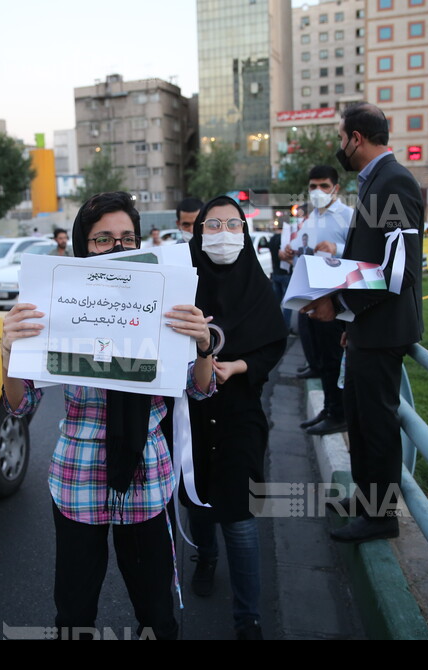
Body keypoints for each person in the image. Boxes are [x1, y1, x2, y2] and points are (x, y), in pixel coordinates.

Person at [0, 191, 217, 640]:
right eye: (103, 240)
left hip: (147, 477)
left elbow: (200, 390)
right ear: (83, 247)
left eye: (127, 238)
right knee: (75, 612)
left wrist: (201, 347)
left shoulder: (164, 299)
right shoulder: (56, 304)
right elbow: (21, 406)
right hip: (77, 479)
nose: (118, 248)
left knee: (156, 612)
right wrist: (9, 354)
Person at [300, 102, 424, 544]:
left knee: (376, 425)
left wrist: (340, 305)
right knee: (359, 418)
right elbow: (370, 261)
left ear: (356, 137)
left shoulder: (392, 183)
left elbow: (398, 270)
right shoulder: (375, 184)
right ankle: (366, 499)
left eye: (339, 137)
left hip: (385, 329)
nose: (339, 146)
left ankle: (380, 516)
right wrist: (350, 316)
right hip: (368, 326)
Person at [184, 195, 287, 640]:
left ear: (245, 231)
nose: (223, 235)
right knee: (198, 500)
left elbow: (272, 343)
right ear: (197, 231)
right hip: (189, 412)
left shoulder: (256, 284)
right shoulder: (181, 281)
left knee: (240, 518)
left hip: (240, 412)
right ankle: (204, 556)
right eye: (212, 225)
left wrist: (239, 367)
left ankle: (248, 619)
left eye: (232, 225)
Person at [282, 165, 353, 435]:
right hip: (310, 295)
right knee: (322, 359)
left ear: (336, 187)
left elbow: (365, 254)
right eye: (313, 186)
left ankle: (339, 414)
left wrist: (339, 249)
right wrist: (290, 252)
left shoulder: (348, 216)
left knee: (334, 358)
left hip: (335, 299)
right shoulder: (311, 217)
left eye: (324, 185)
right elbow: (303, 248)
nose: (318, 191)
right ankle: (329, 407)